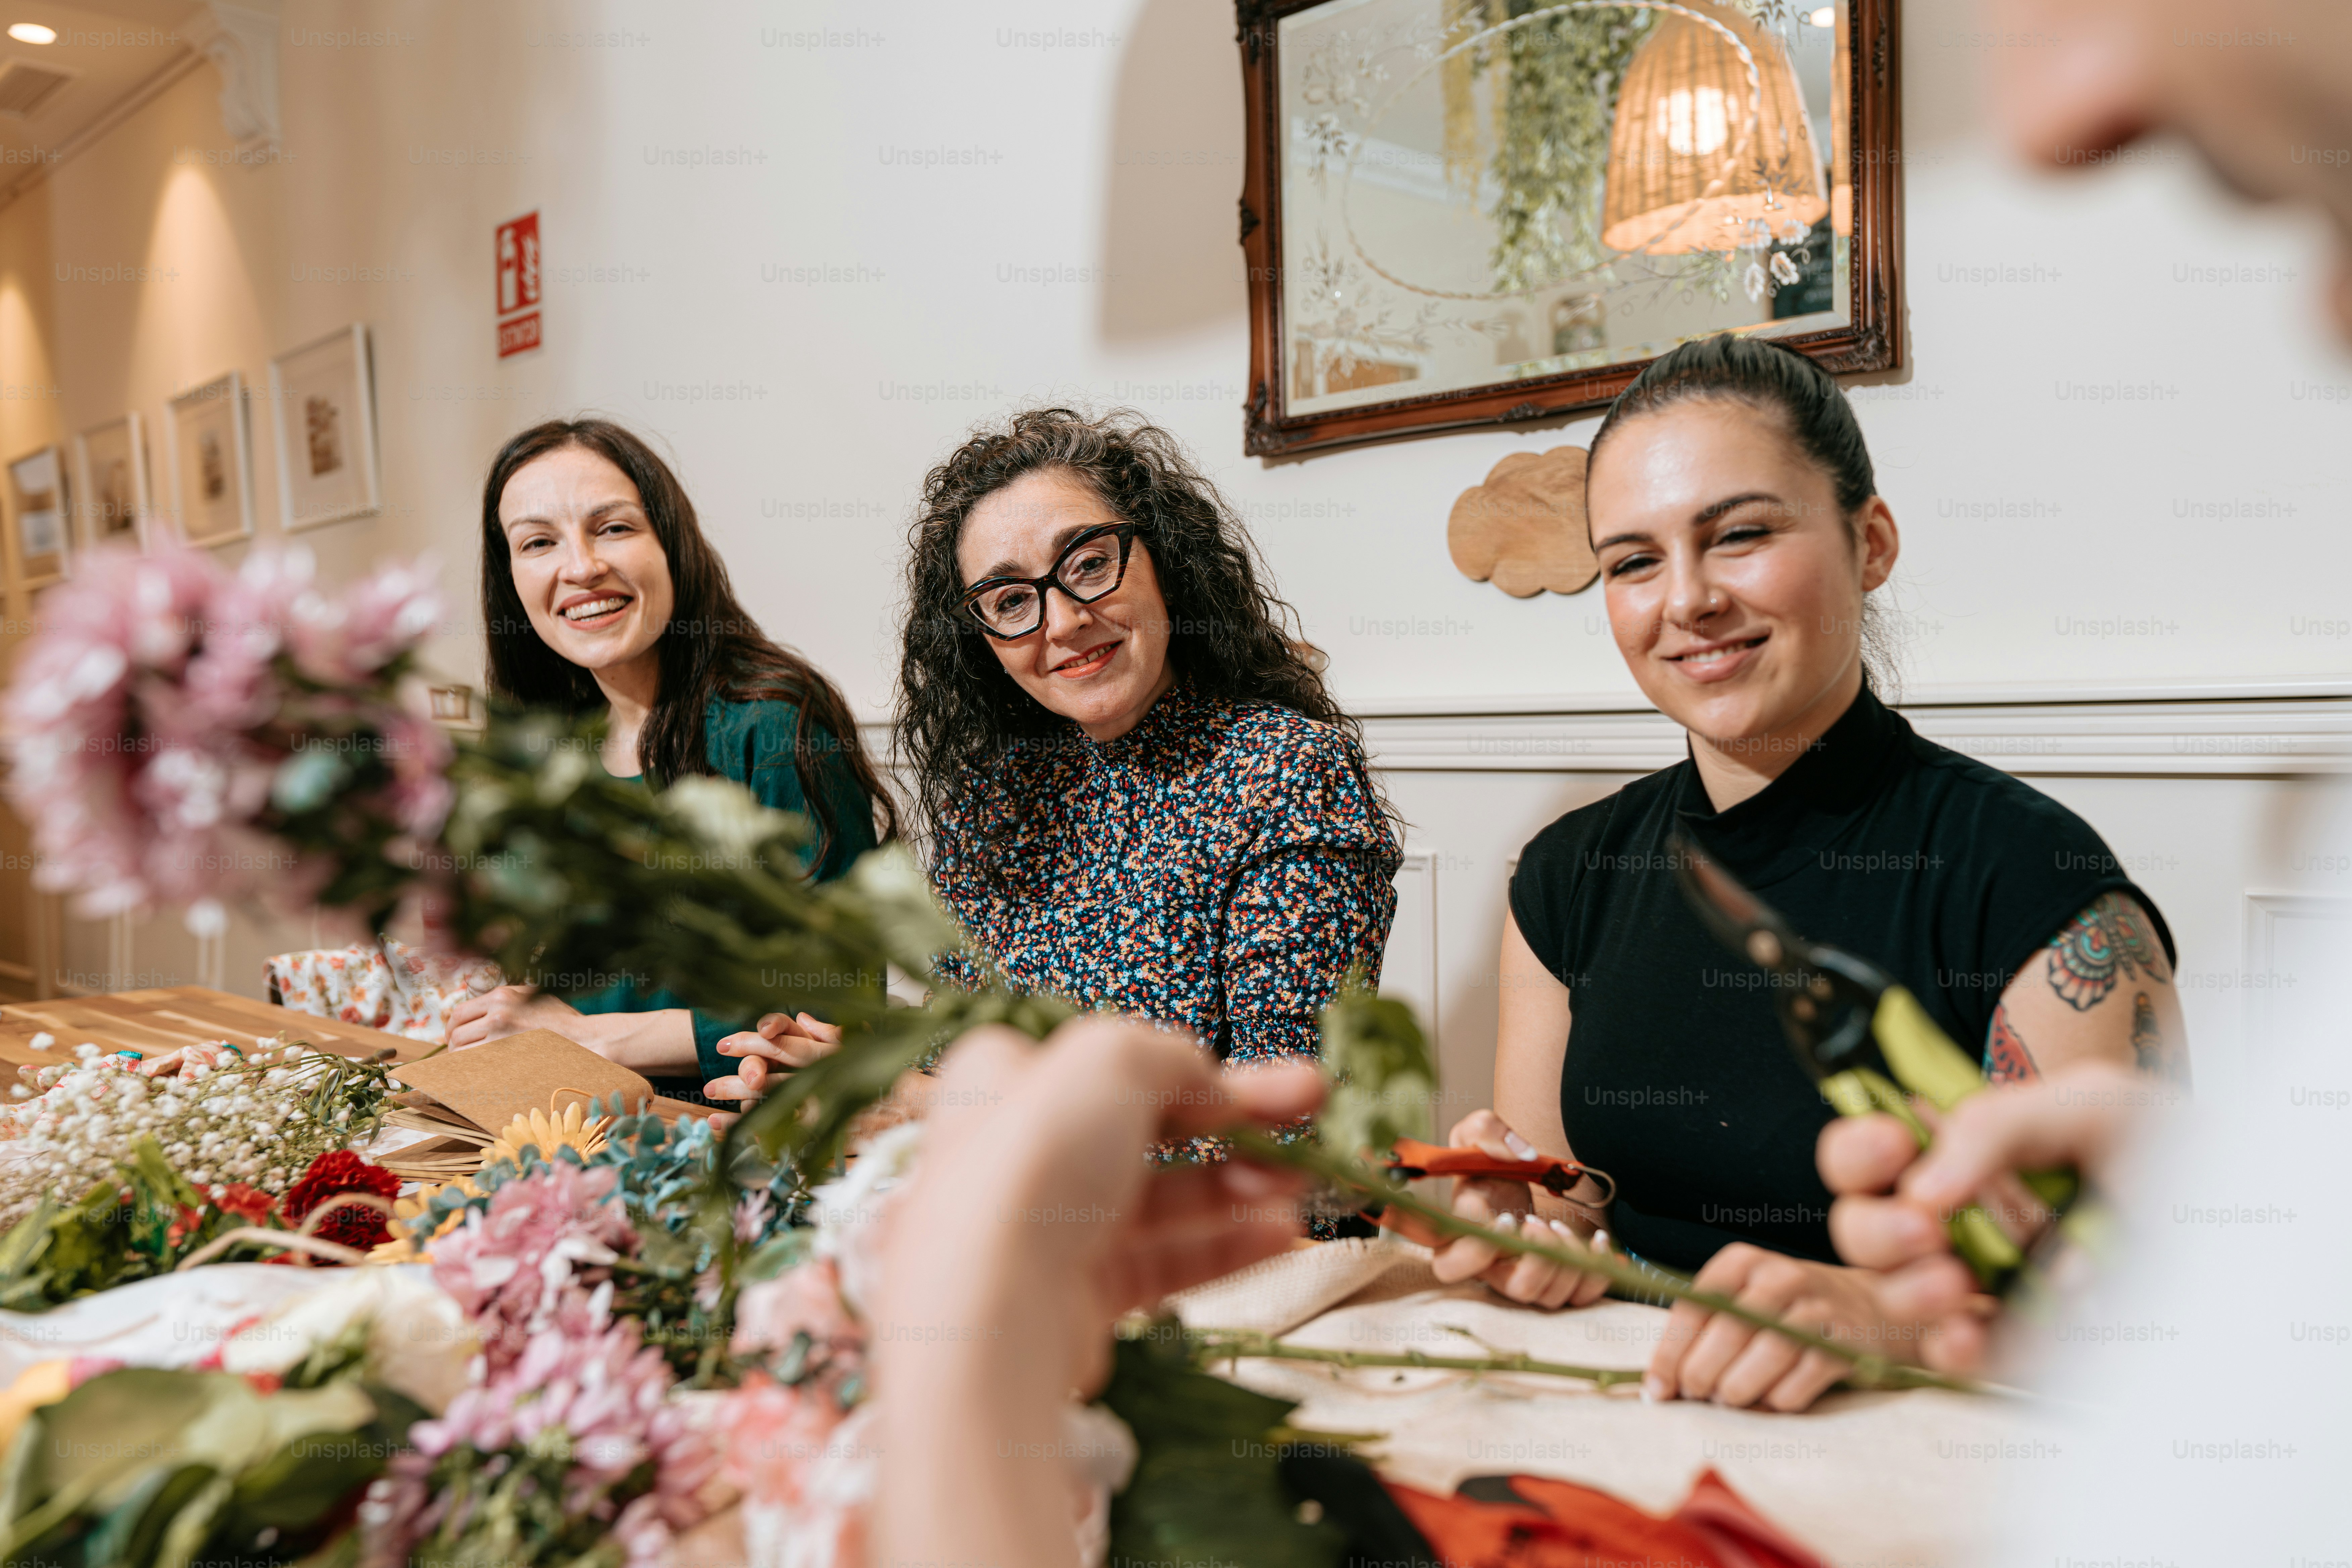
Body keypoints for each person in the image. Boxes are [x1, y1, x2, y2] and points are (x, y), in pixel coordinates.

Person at [1425, 335, 2188, 1411]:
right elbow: (1573, 1215)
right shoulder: (1565, 877)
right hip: (1622, 1423)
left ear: (1869, 542)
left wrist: (1880, 1314)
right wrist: (1516, 1232)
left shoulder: (2033, 880)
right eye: (1634, 561)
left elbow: (2149, 1298)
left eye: (1739, 535)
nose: (1684, 600)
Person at [712, 408, 1400, 1097]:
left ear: (1166, 559)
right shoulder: (993, 797)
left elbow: (1291, 1145)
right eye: (1011, 600)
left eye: (1091, 563)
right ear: (981, 641)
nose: (1065, 620)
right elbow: (958, 1062)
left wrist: (923, 1107)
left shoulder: (1288, 772)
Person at [445, 418, 896, 1099]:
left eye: (614, 527)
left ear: (670, 543)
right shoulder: (549, 747)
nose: (581, 566)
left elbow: (834, 996)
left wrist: (590, 1038)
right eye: (539, 542)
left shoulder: (774, 719)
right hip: (571, 1109)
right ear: (511, 580)